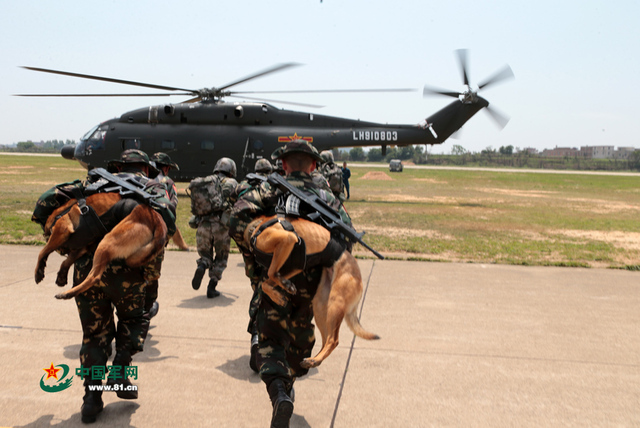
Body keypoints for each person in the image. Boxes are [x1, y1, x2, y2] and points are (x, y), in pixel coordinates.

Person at [229, 140, 350, 428]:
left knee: (269, 343)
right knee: (300, 343)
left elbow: (236, 222)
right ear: (313, 165)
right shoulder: (329, 198)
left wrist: (258, 254)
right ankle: (290, 380)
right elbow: (345, 241)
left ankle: (280, 392)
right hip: (312, 287)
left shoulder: (267, 190)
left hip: (275, 279)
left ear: (282, 164)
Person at [72, 149, 175, 423]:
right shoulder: (152, 188)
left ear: (118, 165)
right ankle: (120, 370)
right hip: (128, 272)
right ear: (145, 167)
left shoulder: (94, 184)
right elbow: (166, 230)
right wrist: (151, 272)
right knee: (134, 318)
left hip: (88, 271)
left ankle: (91, 398)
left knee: (94, 336)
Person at [189, 157, 238, 298]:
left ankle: (202, 265)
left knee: (205, 254)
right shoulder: (232, 183)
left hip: (203, 225)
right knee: (221, 258)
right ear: (231, 170)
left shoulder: (206, 181)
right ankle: (212, 287)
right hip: (221, 226)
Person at [145, 152, 181, 320]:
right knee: (152, 273)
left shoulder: (142, 179)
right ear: (166, 167)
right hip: (157, 233)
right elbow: (171, 207)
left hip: (136, 232)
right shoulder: (167, 182)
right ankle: (147, 308)